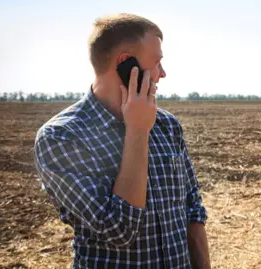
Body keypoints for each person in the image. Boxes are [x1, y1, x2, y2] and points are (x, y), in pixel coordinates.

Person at [33, 13, 210, 269]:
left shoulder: (167, 125)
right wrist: (137, 132)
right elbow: (119, 231)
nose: (163, 73)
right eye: (157, 62)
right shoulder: (61, 137)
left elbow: (193, 210)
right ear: (128, 64)